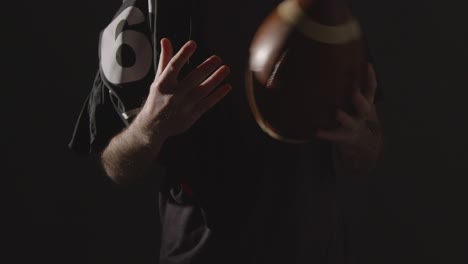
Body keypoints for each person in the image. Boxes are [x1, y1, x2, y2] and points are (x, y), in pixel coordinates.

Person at [69, 0, 384, 263]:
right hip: (204, 254)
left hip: (313, 251)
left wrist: (358, 139)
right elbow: (115, 165)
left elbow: (365, 157)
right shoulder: (155, 11)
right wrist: (149, 129)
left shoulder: (322, 10)